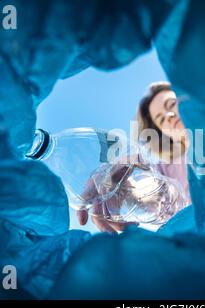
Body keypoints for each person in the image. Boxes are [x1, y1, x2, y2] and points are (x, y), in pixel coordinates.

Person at [76, 81, 191, 233]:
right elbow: (145, 171)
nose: (169, 116)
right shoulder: (167, 167)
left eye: (171, 104)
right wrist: (127, 194)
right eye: (161, 120)